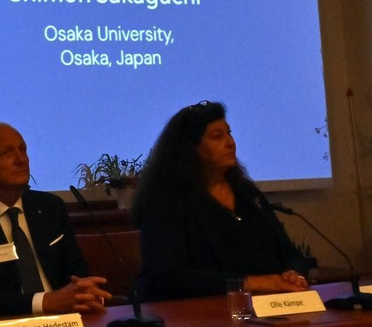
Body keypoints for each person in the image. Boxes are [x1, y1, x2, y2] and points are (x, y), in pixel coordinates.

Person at [133, 100, 311, 301]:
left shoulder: (247, 193)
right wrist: (250, 283)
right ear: (190, 149)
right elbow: (169, 278)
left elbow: (291, 255)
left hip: (267, 304)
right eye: (217, 137)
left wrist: (293, 274)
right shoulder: (167, 201)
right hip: (198, 314)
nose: (230, 143)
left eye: (229, 133)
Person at [0, 122, 110, 318]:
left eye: (23, 150)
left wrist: (86, 293)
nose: (21, 160)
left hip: (66, 321)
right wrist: (46, 302)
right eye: (6, 153)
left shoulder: (50, 208)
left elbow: (78, 274)